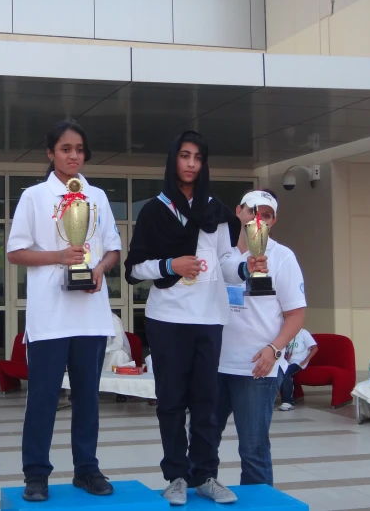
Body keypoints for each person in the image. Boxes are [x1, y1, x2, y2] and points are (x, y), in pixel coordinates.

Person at [124, 131, 265, 506]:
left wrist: (246, 268)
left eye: (197, 157)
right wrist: (172, 264)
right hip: (167, 318)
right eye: (184, 156)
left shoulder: (215, 209)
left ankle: (205, 475)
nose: (190, 163)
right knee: (171, 401)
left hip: (209, 318)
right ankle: (176, 477)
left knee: (206, 400)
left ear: (204, 164)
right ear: (173, 161)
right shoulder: (154, 210)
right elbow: (134, 269)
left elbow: (223, 261)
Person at [7, 119, 121, 502]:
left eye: (79, 150)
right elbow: (15, 251)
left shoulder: (98, 197)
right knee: (42, 399)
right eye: (65, 149)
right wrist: (59, 256)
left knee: (88, 397)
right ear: (50, 153)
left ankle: (86, 469)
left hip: (90, 314)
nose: (73, 156)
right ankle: (36, 473)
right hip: (50, 318)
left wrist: (101, 270)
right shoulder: (35, 196)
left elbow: (112, 248)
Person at [215, 189, 307, 487]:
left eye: (266, 215)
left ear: (274, 220)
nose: (259, 219)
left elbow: (296, 314)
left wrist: (273, 349)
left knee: (253, 449)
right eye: (253, 211)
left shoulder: (282, 257)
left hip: (257, 369)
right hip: (214, 366)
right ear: (239, 211)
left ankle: (260, 505)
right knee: (201, 443)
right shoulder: (221, 250)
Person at [279, 327, 318, 411]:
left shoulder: (303, 332)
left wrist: (306, 360)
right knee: (278, 372)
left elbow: (315, 348)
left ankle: (288, 402)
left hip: (298, 361)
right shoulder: (287, 333)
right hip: (287, 361)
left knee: (286, 374)